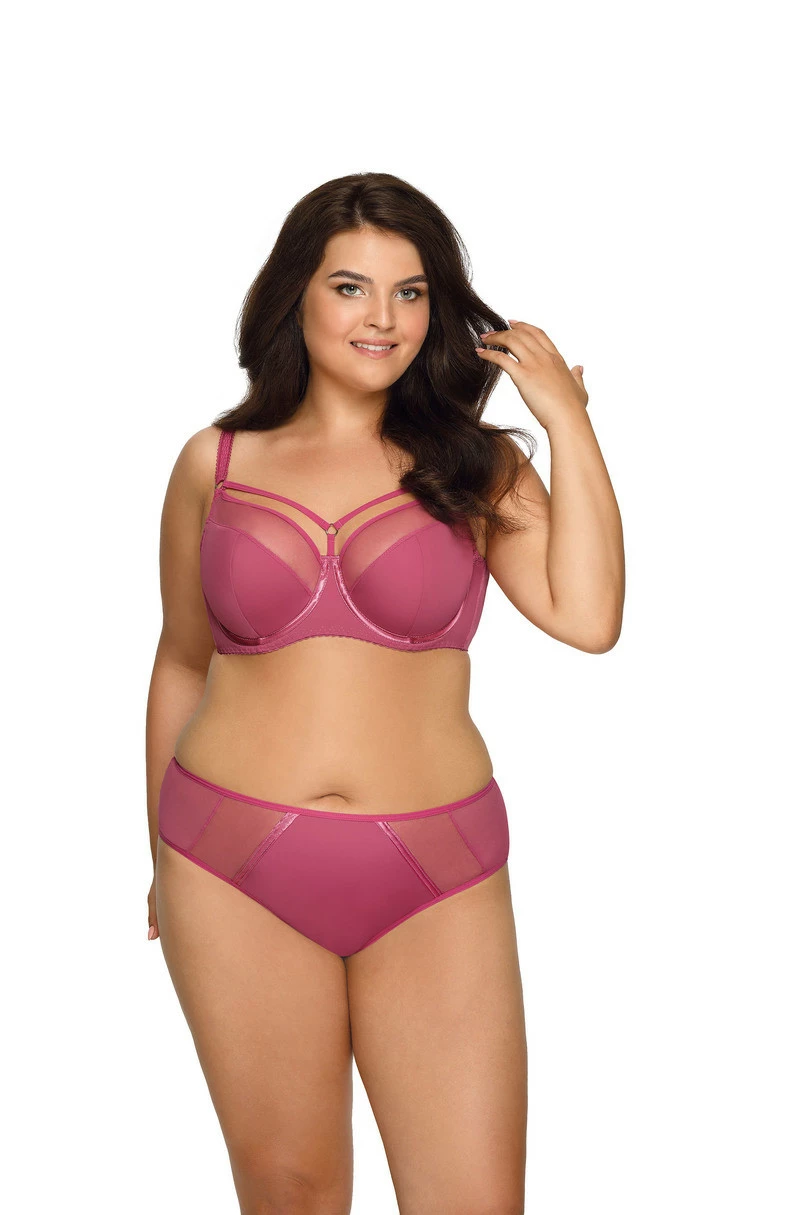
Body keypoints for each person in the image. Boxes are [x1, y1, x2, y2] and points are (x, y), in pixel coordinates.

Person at [145, 171, 624, 1215]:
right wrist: (157, 862)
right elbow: (182, 659)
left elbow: (588, 617)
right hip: (227, 863)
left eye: (411, 292)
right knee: (292, 1194)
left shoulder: (476, 467)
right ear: (296, 296)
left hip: (435, 868)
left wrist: (566, 420)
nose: (384, 318)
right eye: (351, 286)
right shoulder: (214, 464)